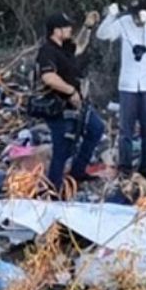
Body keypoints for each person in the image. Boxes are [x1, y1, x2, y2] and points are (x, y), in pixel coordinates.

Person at [96, 0, 146, 176]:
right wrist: (111, 17)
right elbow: (103, 34)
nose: (135, 19)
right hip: (128, 84)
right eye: (133, 15)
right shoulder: (125, 22)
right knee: (126, 128)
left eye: (138, 15)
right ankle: (125, 166)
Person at [34, 11, 105, 195]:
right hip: (58, 107)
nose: (70, 30)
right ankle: (53, 190)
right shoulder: (47, 51)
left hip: (77, 105)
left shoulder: (64, 48)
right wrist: (70, 91)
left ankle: (78, 171)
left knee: (96, 128)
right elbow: (48, 77)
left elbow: (80, 45)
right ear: (56, 31)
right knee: (62, 148)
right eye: (66, 27)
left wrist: (88, 27)